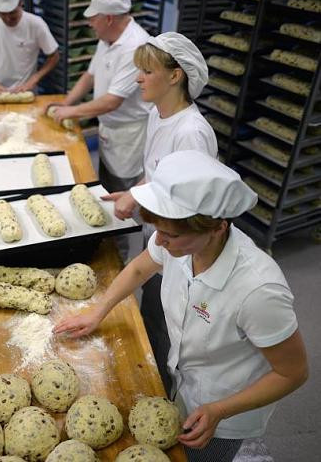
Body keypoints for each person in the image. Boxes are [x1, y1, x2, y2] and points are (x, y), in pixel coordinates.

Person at [54, 150, 308, 462]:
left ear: (217, 228)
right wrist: (98, 311)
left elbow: (293, 373)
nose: (159, 242)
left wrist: (219, 410)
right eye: (158, 230)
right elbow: (140, 267)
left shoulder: (258, 291)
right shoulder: (181, 245)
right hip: (183, 382)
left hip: (223, 412)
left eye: (170, 235)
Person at [103, 32, 218, 391]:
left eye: (146, 70)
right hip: (158, 240)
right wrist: (136, 190)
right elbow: (156, 172)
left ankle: (165, 395)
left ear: (175, 75)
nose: (138, 78)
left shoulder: (192, 134)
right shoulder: (158, 114)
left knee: (164, 324)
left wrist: (140, 200)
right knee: (151, 314)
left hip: (182, 253)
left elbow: (196, 212)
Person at [49, 0, 152, 194]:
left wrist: (70, 112)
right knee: (105, 182)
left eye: (93, 19)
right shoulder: (107, 38)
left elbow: (112, 101)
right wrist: (66, 104)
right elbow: (90, 76)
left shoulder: (135, 47)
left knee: (122, 190)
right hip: (108, 126)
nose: (90, 24)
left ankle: (128, 225)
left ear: (109, 19)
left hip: (127, 134)